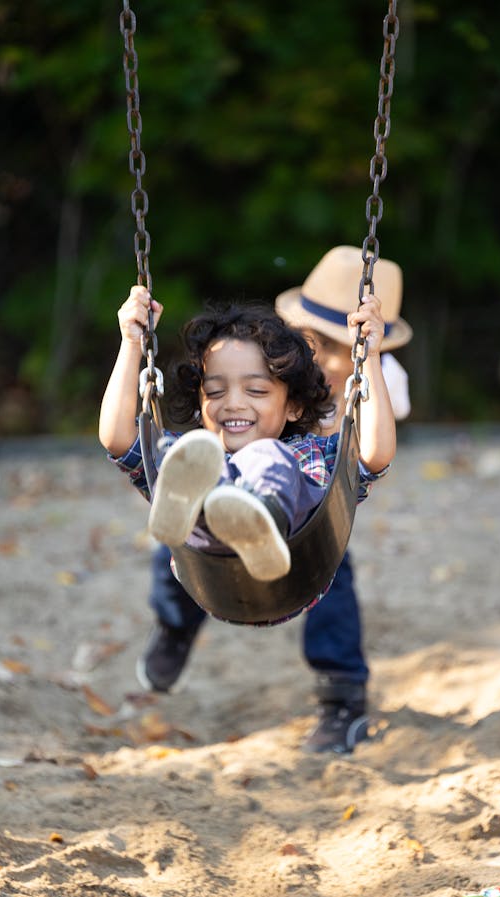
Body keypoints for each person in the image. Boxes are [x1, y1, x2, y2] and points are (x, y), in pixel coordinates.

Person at [134, 247, 412, 754]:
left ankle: (341, 694)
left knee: (335, 564)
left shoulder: (377, 377)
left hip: (306, 508)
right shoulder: (269, 366)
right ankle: (175, 629)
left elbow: (368, 449)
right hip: (224, 502)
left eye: (340, 346)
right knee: (180, 521)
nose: (327, 360)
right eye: (317, 343)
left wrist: (358, 377)